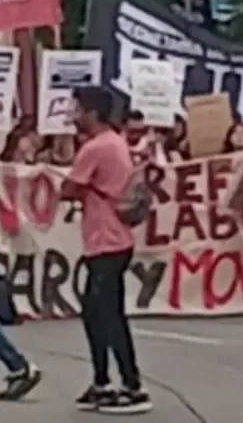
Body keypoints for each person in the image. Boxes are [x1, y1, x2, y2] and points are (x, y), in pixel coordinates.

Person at [60, 86, 152, 414]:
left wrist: (71, 184)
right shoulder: (114, 142)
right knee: (95, 312)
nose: (72, 115)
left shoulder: (96, 148)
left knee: (108, 315)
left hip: (106, 240)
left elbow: (69, 189)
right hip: (110, 240)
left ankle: (131, 385)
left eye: (76, 109)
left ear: (92, 112)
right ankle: (102, 380)